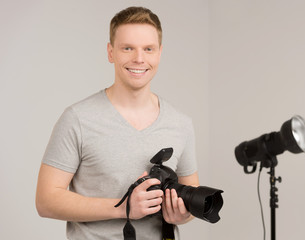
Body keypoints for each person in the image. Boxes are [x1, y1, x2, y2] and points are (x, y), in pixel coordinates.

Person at [36, 6, 199, 239]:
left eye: (148, 49)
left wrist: (182, 214)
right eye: (128, 48)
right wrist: (124, 207)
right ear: (111, 52)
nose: (139, 59)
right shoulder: (77, 119)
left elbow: (191, 197)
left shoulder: (181, 123)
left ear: (160, 53)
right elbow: (46, 200)